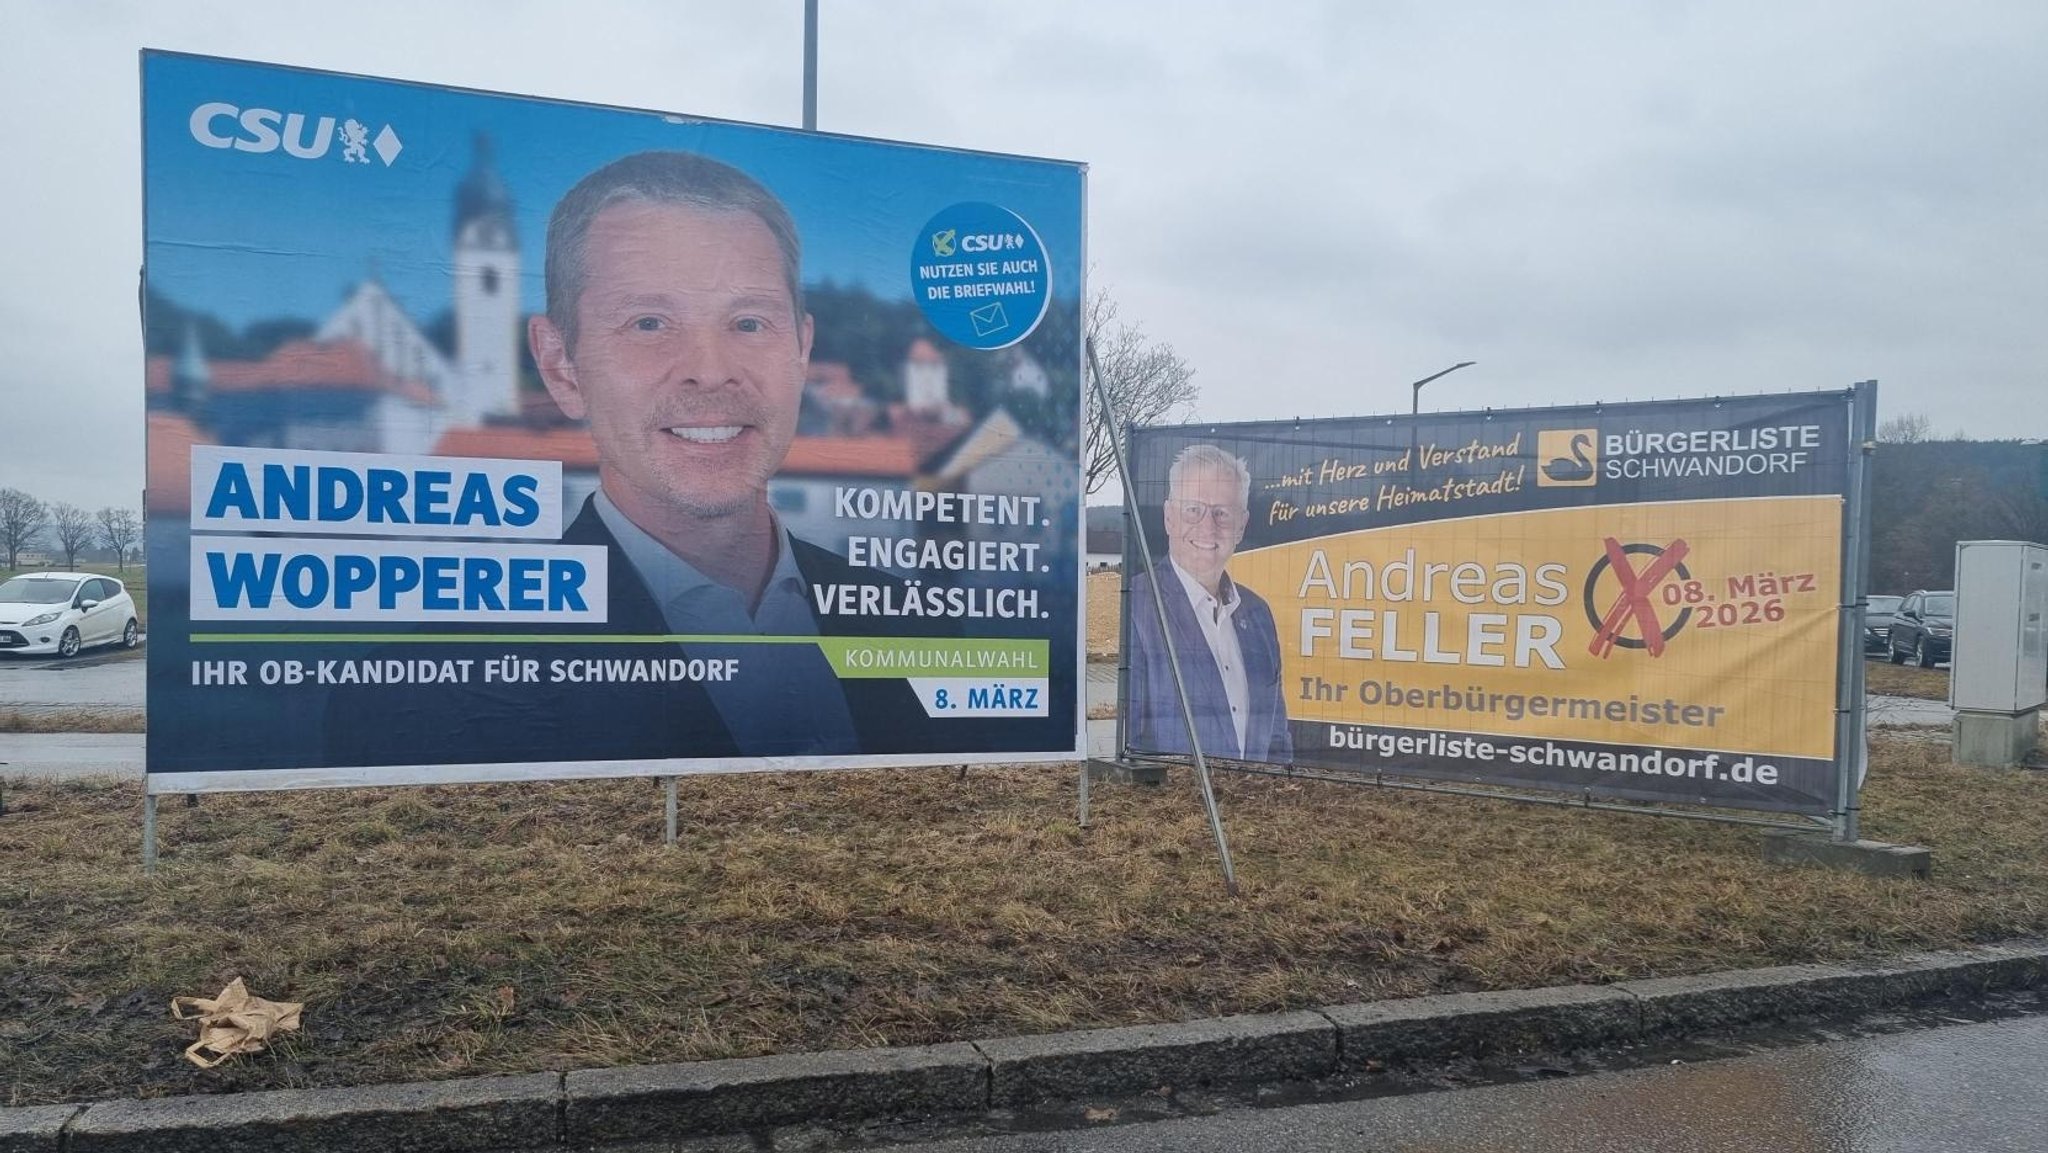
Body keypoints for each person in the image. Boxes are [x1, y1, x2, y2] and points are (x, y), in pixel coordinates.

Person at [327, 152, 961, 766]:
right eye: (649, 324)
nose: (711, 374)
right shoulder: (417, 693)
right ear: (560, 366)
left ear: (801, 349)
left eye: (748, 323)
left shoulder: (917, 629)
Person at [1126, 444, 1292, 763]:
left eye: (1221, 513)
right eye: (1193, 510)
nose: (1208, 526)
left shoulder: (1258, 615)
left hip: (1252, 807)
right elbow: (1133, 744)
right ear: (1169, 517)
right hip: (1177, 808)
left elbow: (1277, 740)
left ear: (1241, 525)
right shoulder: (1138, 606)